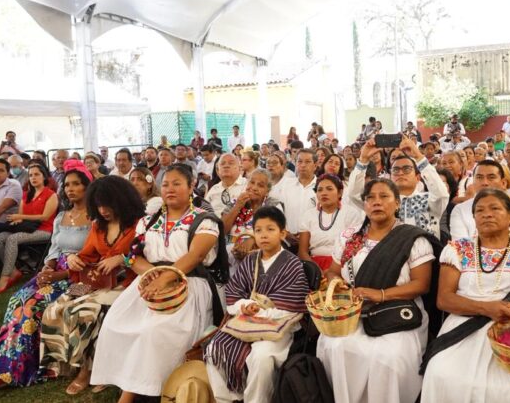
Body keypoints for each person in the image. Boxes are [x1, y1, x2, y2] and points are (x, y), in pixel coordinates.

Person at [90, 165, 227, 401]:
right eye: (165, 184)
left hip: (188, 285)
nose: (170, 189)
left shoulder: (204, 220)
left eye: (177, 184)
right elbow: (133, 256)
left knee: (153, 331)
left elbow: (195, 256)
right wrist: (153, 274)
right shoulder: (148, 221)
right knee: (114, 322)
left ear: (191, 187)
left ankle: (133, 394)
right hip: (151, 282)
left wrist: (165, 278)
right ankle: (129, 380)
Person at [421, 188, 510, 402]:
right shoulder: (458, 249)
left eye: (495, 208)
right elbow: (444, 299)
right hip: (464, 327)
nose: (487, 214)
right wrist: (486, 308)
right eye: (480, 211)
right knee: (441, 372)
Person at [0, 168, 92, 391]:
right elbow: (54, 249)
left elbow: (95, 257)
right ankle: (2, 370)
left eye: (76, 184)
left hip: (82, 278)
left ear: (87, 187)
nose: (70, 189)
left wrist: (60, 274)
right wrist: (47, 268)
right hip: (55, 271)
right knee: (17, 300)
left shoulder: (96, 217)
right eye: (67, 185)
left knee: (33, 305)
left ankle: (30, 368)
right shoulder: (62, 217)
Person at [318, 179, 437, 403]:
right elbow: (333, 272)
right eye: (370, 198)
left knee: (386, 357)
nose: (376, 202)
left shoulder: (412, 238)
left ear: (397, 203)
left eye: (384, 196)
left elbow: (421, 284)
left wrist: (380, 294)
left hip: (397, 312)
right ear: (364, 204)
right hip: (352, 312)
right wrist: (340, 286)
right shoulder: (350, 236)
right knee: (336, 346)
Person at [38, 176, 143, 395]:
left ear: (121, 200)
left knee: (85, 313)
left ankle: (87, 370)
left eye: (107, 205)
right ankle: (66, 364)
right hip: (94, 280)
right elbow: (87, 254)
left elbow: (147, 255)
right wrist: (74, 259)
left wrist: (122, 259)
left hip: (126, 283)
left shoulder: (139, 225)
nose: (103, 210)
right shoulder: (98, 225)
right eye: (98, 205)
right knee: (56, 307)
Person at [206, 206, 308, 402]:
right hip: (245, 321)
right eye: (258, 230)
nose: (264, 235)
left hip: (277, 326)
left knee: (261, 356)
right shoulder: (250, 260)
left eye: (270, 229)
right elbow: (234, 291)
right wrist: (244, 306)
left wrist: (259, 311)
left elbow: (292, 304)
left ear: (282, 233)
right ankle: (226, 399)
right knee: (214, 349)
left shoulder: (293, 264)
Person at [350, 136, 449, 239]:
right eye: (396, 170)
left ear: (418, 177)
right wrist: (363, 160)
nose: (400, 173)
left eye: (407, 169)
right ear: (390, 177)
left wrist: (418, 155)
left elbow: (442, 194)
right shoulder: (380, 202)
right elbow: (354, 194)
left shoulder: (428, 200)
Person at [0, 164, 59, 294]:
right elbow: (21, 217)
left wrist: (20, 216)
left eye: (37, 174)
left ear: (44, 177)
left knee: (12, 238)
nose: (33, 178)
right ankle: (13, 271)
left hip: (45, 230)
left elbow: (45, 217)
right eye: (31, 175)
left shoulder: (51, 195)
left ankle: (5, 277)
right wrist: (16, 220)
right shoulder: (26, 195)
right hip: (28, 228)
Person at [450, 160, 510, 240]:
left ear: (503, 183)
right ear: (473, 182)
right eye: (479, 177)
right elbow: (460, 245)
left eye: (491, 177)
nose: (485, 183)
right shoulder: (460, 210)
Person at [298, 174, 364, 271]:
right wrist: (316, 270)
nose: (324, 193)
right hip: (314, 266)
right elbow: (302, 252)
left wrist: (334, 270)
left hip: (342, 265)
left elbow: (354, 248)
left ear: (340, 193)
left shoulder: (351, 214)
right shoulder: (308, 215)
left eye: (329, 189)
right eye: (320, 190)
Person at [223, 169, 283, 273]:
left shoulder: (273, 205)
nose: (254, 188)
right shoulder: (235, 202)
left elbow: (275, 234)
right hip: (229, 255)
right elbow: (222, 230)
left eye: (260, 185)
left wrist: (252, 240)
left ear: (267, 191)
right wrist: (237, 207)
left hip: (260, 258)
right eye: (252, 182)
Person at [277, 149, 317, 237]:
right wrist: (285, 231)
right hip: (288, 237)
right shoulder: (286, 184)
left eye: (307, 162)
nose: (303, 165)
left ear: (315, 165)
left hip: (313, 238)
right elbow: (279, 210)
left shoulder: (321, 186)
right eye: (299, 161)